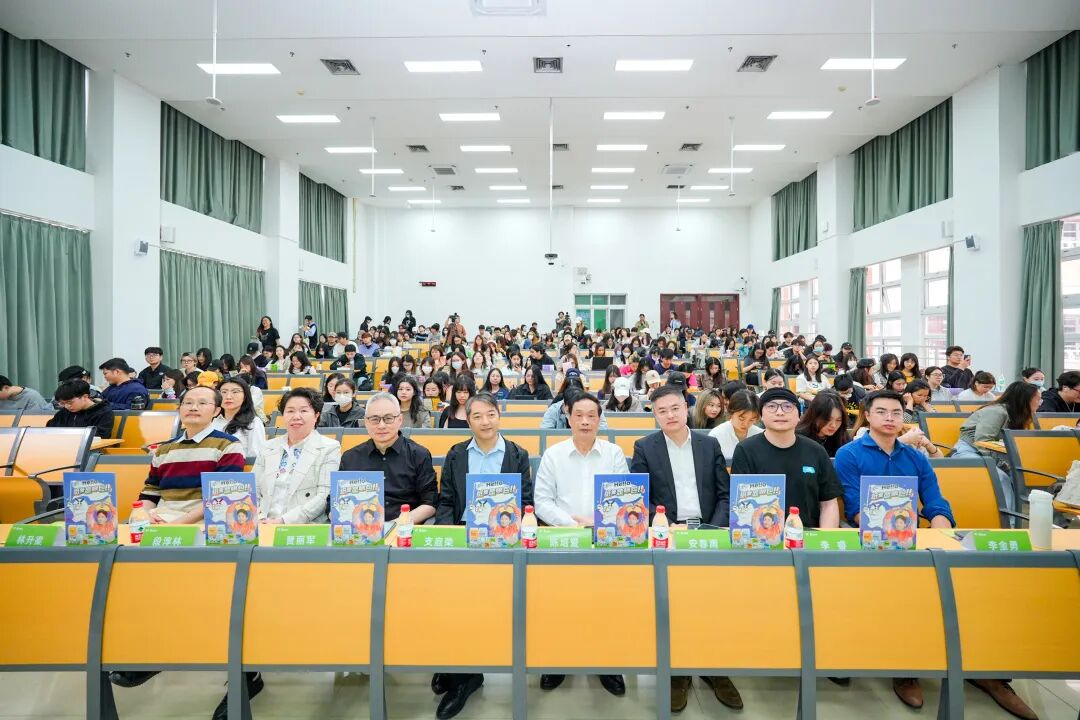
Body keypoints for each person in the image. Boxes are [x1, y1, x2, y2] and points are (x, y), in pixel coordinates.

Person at [834, 390, 1034, 720]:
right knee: (911, 588)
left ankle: (985, 670)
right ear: (867, 415)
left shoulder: (914, 457)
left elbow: (935, 499)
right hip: (872, 539)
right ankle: (906, 668)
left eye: (896, 413)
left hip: (915, 536)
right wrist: (893, 534)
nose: (889, 418)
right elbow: (855, 506)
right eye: (881, 411)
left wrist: (940, 529)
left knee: (978, 583)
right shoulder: (849, 454)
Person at [108, 384, 247, 695]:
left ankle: (172, 646)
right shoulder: (165, 450)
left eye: (202, 403)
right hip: (163, 519)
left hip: (205, 521)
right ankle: (148, 649)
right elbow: (149, 493)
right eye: (188, 402)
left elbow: (222, 497)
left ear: (217, 410)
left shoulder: (228, 446)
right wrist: (146, 516)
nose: (193, 407)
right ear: (179, 408)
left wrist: (177, 525)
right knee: (129, 574)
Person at [628, 384, 740, 712]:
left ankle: (714, 668)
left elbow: (724, 493)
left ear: (686, 408)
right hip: (668, 534)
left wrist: (713, 529)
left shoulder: (708, 444)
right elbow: (639, 497)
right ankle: (677, 672)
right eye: (662, 411)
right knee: (673, 605)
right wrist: (663, 523)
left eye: (675, 408)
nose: (670, 415)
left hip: (708, 531)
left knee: (712, 605)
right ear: (654, 415)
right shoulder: (645, 447)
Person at [430, 392, 533, 718]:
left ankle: (466, 675)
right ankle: (460, 668)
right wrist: (450, 538)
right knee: (454, 605)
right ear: (468, 420)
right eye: (477, 416)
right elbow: (446, 500)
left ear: (499, 415)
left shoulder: (517, 454)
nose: (485, 422)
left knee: (482, 608)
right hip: (463, 538)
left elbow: (526, 502)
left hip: (502, 540)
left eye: (490, 414)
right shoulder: (457, 453)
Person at [533, 391, 627, 698]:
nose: (585, 421)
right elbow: (542, 501)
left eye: (592, 416)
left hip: (605, 539)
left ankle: (608, 663)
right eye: (579, 415)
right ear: (568, 417)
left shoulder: (614, 453)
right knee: (559, 603)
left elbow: (625, 497)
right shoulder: (553, 455)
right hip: (563, 538)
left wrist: (597, 523)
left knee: (606, 603)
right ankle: (557, 660)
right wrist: (573, 526)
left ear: (600, 419)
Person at [730, 388, 842, 529]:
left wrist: (824, 538)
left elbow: (829, 503)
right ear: (761, 415)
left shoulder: (816, 451)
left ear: (799, 415)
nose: (780, 412)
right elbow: (741, 503)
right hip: (761, 535)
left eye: (787, 406)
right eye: (772, 406)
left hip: (808, 534)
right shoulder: (746, 450)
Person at [338, 393, 437, 523]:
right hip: (360, 529)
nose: (381, 425)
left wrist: (396, 524)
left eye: (388, 418)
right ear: (366, 422)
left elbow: (430, 503)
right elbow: (335, 501)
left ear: (400, 420)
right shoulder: (350, 458)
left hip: (405, 527)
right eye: (375, 419)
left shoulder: (419, 455)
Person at [953, 381, 1042, 515]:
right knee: (1001, 477)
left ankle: (1029, 517)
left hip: (994, 454)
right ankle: (1009, 522)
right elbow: (982, 443)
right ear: (1025, 399)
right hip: (970, 452)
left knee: (1025, 474)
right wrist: (1003, 464)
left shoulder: (1019, 414)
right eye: (1038, 399)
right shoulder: (996, 412)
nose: (1040, 403)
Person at [213, 378, 267, 458]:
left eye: (235, 392)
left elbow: (256, 457)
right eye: (224, 392)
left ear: (245, 396)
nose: (228, 396)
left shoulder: (253, 422)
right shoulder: (211, 421)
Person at [47, 380, 114, 438]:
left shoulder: (103, 412)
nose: (67, 406)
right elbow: (50, 428)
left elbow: (101, 436)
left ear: (85, 397)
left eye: (70, 402)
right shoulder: (64, 412)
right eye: (62, 403)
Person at [708, 389, 762, 460]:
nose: (746, 424)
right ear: (731, 412)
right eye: (741, 418)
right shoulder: (716, 435)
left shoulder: (761, 435)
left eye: (751, 420)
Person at [794, 392, 849, 458]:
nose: (833, 425)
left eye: (838, 420)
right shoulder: (799, 438)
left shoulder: (842, 436)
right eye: (828, 419)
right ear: (815, 416)